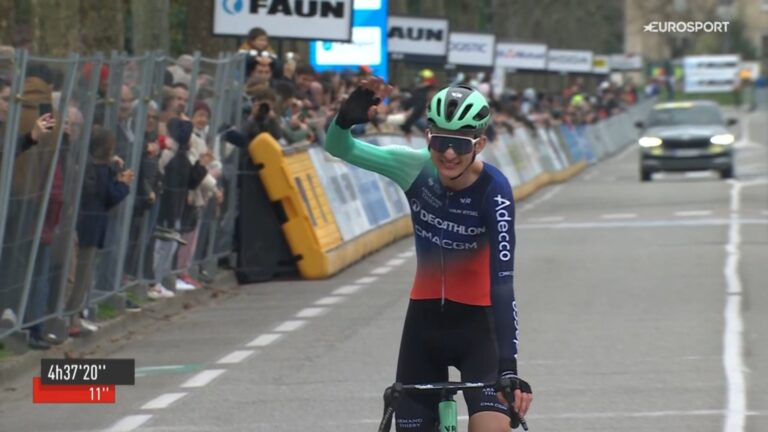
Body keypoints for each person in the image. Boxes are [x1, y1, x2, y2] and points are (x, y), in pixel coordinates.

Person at [324, 77, 533, 431]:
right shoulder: (414, 167)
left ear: (480, 144)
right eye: (440, 141)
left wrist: (509, 368)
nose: (449, 154)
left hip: (478, 330)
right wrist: (343, 121)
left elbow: (502, 283)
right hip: (423, 329)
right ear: (427, 137)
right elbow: (340, 148)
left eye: (460, 144)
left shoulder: (494, 191)